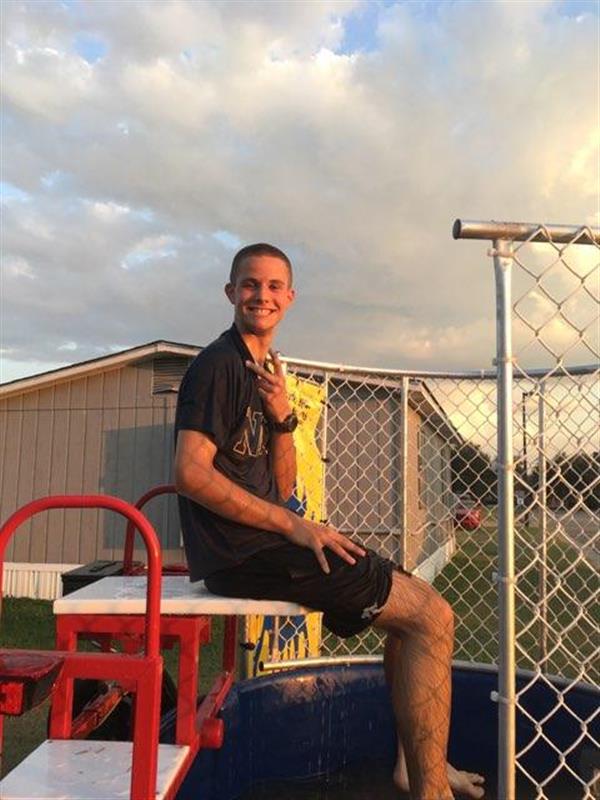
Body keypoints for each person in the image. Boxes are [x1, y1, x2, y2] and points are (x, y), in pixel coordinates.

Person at [174, 243, 485, 800]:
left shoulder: (262, 369)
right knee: (432, 618)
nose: (261, 296)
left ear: (290, 298)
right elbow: (191, 474)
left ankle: (416, 769)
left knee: (413, 605)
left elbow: (284, 486)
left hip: (264, 543)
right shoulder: (216, 366)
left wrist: (283, 418)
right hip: (245, 554)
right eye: (249, 284)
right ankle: (430, 789)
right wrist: (294, 527)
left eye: (273, 287)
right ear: (230, 293)